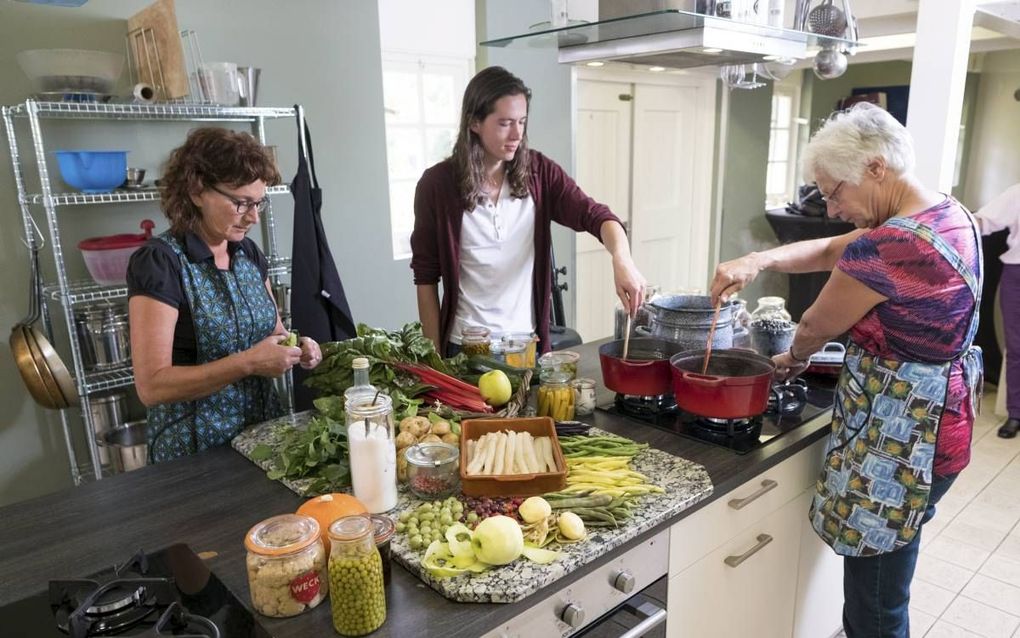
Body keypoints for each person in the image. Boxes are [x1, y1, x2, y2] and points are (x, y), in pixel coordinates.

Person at [710, 103, 982, 638]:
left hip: (905, 441)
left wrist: (792, 358)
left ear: (876, 168)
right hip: (942, 427)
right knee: (886, 580)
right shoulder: (946, 214)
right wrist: (757, 261)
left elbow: (813, 324)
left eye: (835, 191)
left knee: (877, 606)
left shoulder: (893, 244)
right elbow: (837, 248)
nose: (832, 208)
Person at [410, 66, 646, 356]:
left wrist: (622, 259)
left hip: (525, 347)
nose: (516, 134)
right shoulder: (437, 185)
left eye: (522, 121)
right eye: (505, 123)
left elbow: (595, 216)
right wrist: (433, 361)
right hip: (466, 348)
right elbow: (426, 277)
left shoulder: (540, 173)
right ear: (474, 122)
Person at [127, 127, 322, 462]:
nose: (253, 216)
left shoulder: (248, 254)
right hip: (194, 452)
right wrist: (246, 364)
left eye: (258, 202)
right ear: (197, 189)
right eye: (240, 203)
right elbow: (152, 386)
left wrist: (297, 346)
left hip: (263, 439)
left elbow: (274, 332)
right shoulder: (161, 262)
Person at [974, 183, 1020, 438]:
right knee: (1016, 347)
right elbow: (983, 221)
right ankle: (1016, 413)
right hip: (1017, 272)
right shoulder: (1017, 192)